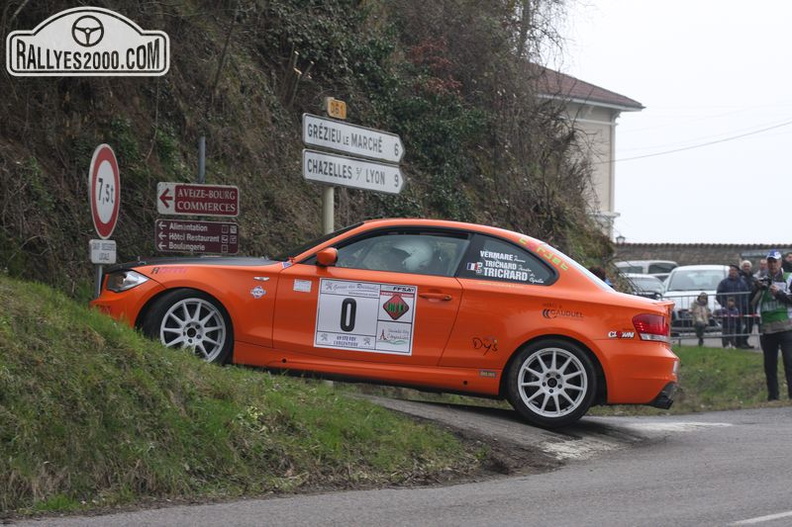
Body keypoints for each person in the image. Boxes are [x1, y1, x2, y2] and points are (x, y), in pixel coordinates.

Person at [751, 250, 792, 401]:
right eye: (770, 262)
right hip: (768, 330)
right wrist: (757, 288)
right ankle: (773, 397)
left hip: (787, 328)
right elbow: (751, 303)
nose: (772, 264)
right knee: (769, 367)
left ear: (780, 262)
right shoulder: (762, 279)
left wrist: (780, 293)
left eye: (775, 261)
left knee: (789, 364)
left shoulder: (789, 278)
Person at [716, 264, 750, 348]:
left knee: (739, 327)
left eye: (734, 270)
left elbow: (746, 294)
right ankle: (726, 344)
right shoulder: (724, 282)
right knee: (727, 329)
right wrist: (725, 305)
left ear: (737, 271)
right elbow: (719, 295)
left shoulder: (742, 282)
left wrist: (744, 305)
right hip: (727, 311)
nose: (732, 272)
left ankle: (738, 343)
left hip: (739, 309)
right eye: (731, 270)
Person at [738, 260, 757, 348]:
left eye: (748, 266)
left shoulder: (753, 278)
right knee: (739, 325)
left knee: (750, 325)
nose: (746, 268)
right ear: (742, 267)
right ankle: (740, 342)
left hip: (751, 304)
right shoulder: (739, 278)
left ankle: (744, 340)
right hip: (741, 304)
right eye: (745, 266)